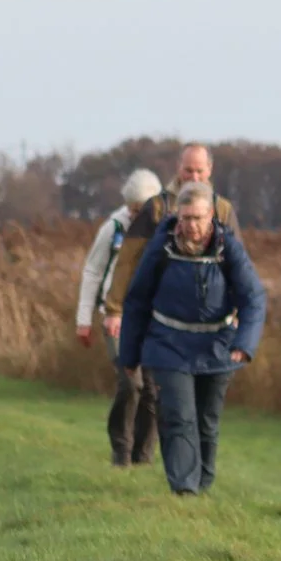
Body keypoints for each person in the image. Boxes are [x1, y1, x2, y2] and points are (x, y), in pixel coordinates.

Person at [115, 181, 268, 496]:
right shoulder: (161, 248)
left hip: (218, 346)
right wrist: (129, 356)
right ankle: (185, 489)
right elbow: (137, 300)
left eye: (198, 218)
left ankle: (203, 483)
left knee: (207, 421)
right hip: (168, 345)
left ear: (211, 215)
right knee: (178, 416)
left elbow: (253, 297)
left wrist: (244, 343)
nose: (191, 226)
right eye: (185, 218)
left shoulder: (229, 248)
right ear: (177, 216)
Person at [77, 167, 165, 467]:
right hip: (116, 317)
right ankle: (121, 452)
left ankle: (144, 456)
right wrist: (83, 319)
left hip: (153, 318)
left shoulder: (166, 224)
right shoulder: (113, 226)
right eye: (133, 207)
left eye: (141, 208)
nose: (135, 213)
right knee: (130, 384)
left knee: (153, 389)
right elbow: (92, 271)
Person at [101, 143, 222, 335]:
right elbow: (128, 259)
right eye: (188, 170)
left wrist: (238, 311)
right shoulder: (157, 207)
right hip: (159, 315)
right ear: (178, 167)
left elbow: (236, 265)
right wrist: (114, 310)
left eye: (200, 171)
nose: (194, 177)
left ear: (210, 169)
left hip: (209, 318)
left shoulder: (223, 209)